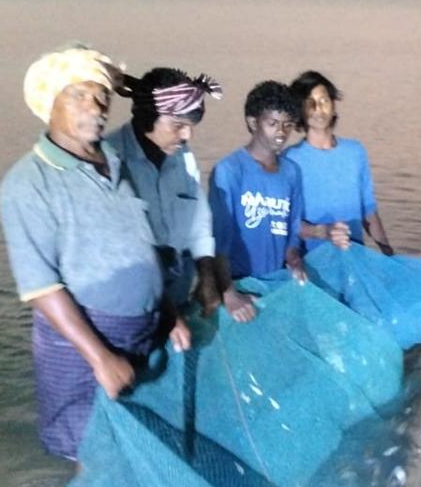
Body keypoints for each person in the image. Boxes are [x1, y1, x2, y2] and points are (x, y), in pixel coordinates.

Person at [0, 44, 189, 461]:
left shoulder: (114, 161)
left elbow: (139, 242)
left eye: (101, 96)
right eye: (79, 95)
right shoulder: (28, 183)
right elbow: (41, 287)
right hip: (83, 342)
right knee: (91, 450)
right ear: (50, 104)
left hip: (142, 329)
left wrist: (169, 313)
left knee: (134, 442)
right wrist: (100, 357)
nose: (96, 105)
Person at [105, 67, 255, 322]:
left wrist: (206, 275)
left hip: (177, 290)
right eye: (178, 126)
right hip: (127, 304)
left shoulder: (183, 157)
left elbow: (198, 220)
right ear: (145, 116)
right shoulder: (110, 159)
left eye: (191, 126)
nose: (187, 135)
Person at [208, 81, 309, 303]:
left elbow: (292, 230)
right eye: (272, 123)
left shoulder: (292, 172)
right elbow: (218, 240)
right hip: (239, 284)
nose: (281, 132)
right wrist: (229, 294)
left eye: (288, 124)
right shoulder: (229, 170)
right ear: (253, 122)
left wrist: (294, 261)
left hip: (277, 285)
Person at [285, 70, 395, 256]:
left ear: (334, 105)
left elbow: (368, 211)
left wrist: (388, 252)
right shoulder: (290, 160)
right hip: (313, 263)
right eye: (310, 103)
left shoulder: (355, 152)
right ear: (300, 111)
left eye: (324, 101)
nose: (318, 109)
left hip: (354, 258)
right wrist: (321, 232)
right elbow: (285, 222)